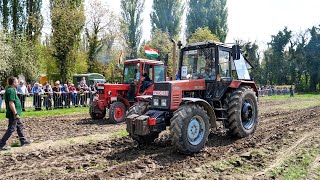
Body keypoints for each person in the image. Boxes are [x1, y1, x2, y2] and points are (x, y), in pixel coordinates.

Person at [0, 77, 31, 150]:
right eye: (17, 82)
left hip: (14, 113)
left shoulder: (11, 89)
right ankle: (1, 144)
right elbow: (11, 103)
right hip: (13, 113)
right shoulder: (11, 90)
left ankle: (23, 141)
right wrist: (15, 113)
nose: (18, 83)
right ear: (14, 83)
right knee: (11, 128)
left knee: (19, 126)